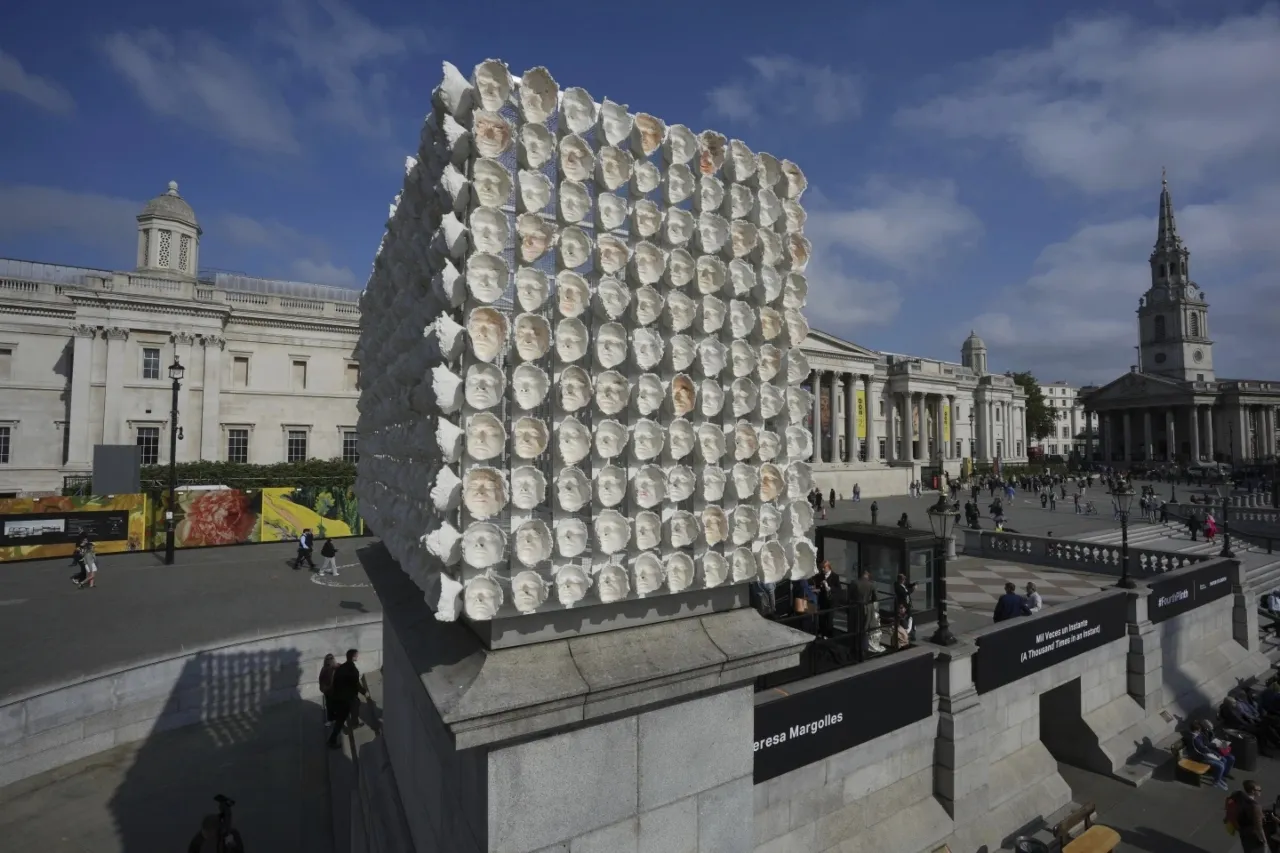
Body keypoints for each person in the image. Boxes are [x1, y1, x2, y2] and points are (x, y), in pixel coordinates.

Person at [327, 648, 369, 749]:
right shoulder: (353, 670)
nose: (357, 657)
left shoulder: (341, 668)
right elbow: (356, 685)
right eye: (356, 655)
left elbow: (336, 682)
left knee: (356, 704)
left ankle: (355, 723)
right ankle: (332, 740)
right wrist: (364, 692)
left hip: (340, 696)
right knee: (341, 719)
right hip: (347, 698)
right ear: (354, 657)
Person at [1188, 720, 1234, 790]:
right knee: (1220, 765)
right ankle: (1216, 782)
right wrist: (1214, 753)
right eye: (1199, 730)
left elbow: (1205, 746)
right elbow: (1202, 749)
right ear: (1196, 730)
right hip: (1201, 758)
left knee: (1222, 761)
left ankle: (1218, 778)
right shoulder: (1194, 739)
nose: (1200, 731)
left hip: (1205, 754)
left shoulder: (1198, 736)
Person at [812, 561, 842, 639]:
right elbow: (817, 586)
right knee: (821, 618)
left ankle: (829, 634)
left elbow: (838, 589)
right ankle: (822, 633)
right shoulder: (820, 576)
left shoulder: (835, 576)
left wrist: (830, 588)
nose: (822, 569)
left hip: (831, 600)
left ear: (828, 567)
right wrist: (817, 589)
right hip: (822, 600)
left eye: (824, 568)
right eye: (821, 568)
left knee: (829, 618)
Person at [318, 653, 338, 719]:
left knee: (333, 705)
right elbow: (321, 679)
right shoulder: (325, 669)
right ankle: (332, 718)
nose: (330, 660)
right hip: (330, 691)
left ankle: (334, 717)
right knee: (330, 705)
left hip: (332, 690)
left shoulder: (336, 667)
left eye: (331, 658)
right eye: (328, 659)